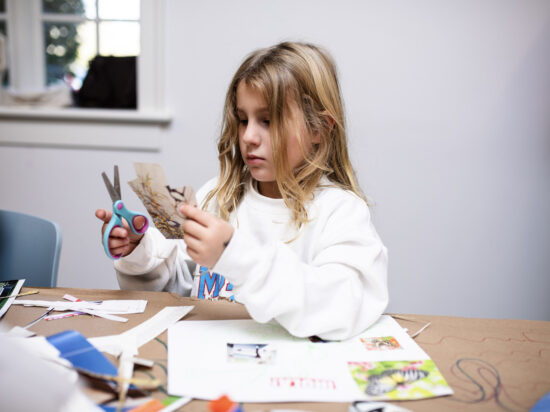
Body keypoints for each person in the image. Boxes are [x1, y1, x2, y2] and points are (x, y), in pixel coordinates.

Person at [96, 41, 388, 340]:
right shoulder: (218, 196)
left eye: (268, 121)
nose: (248, 136)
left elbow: (341, 307)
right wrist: (139, 253)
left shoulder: (340, 211)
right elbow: (180, 290)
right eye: (243, 119)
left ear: (319, 129)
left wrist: (234, 254)